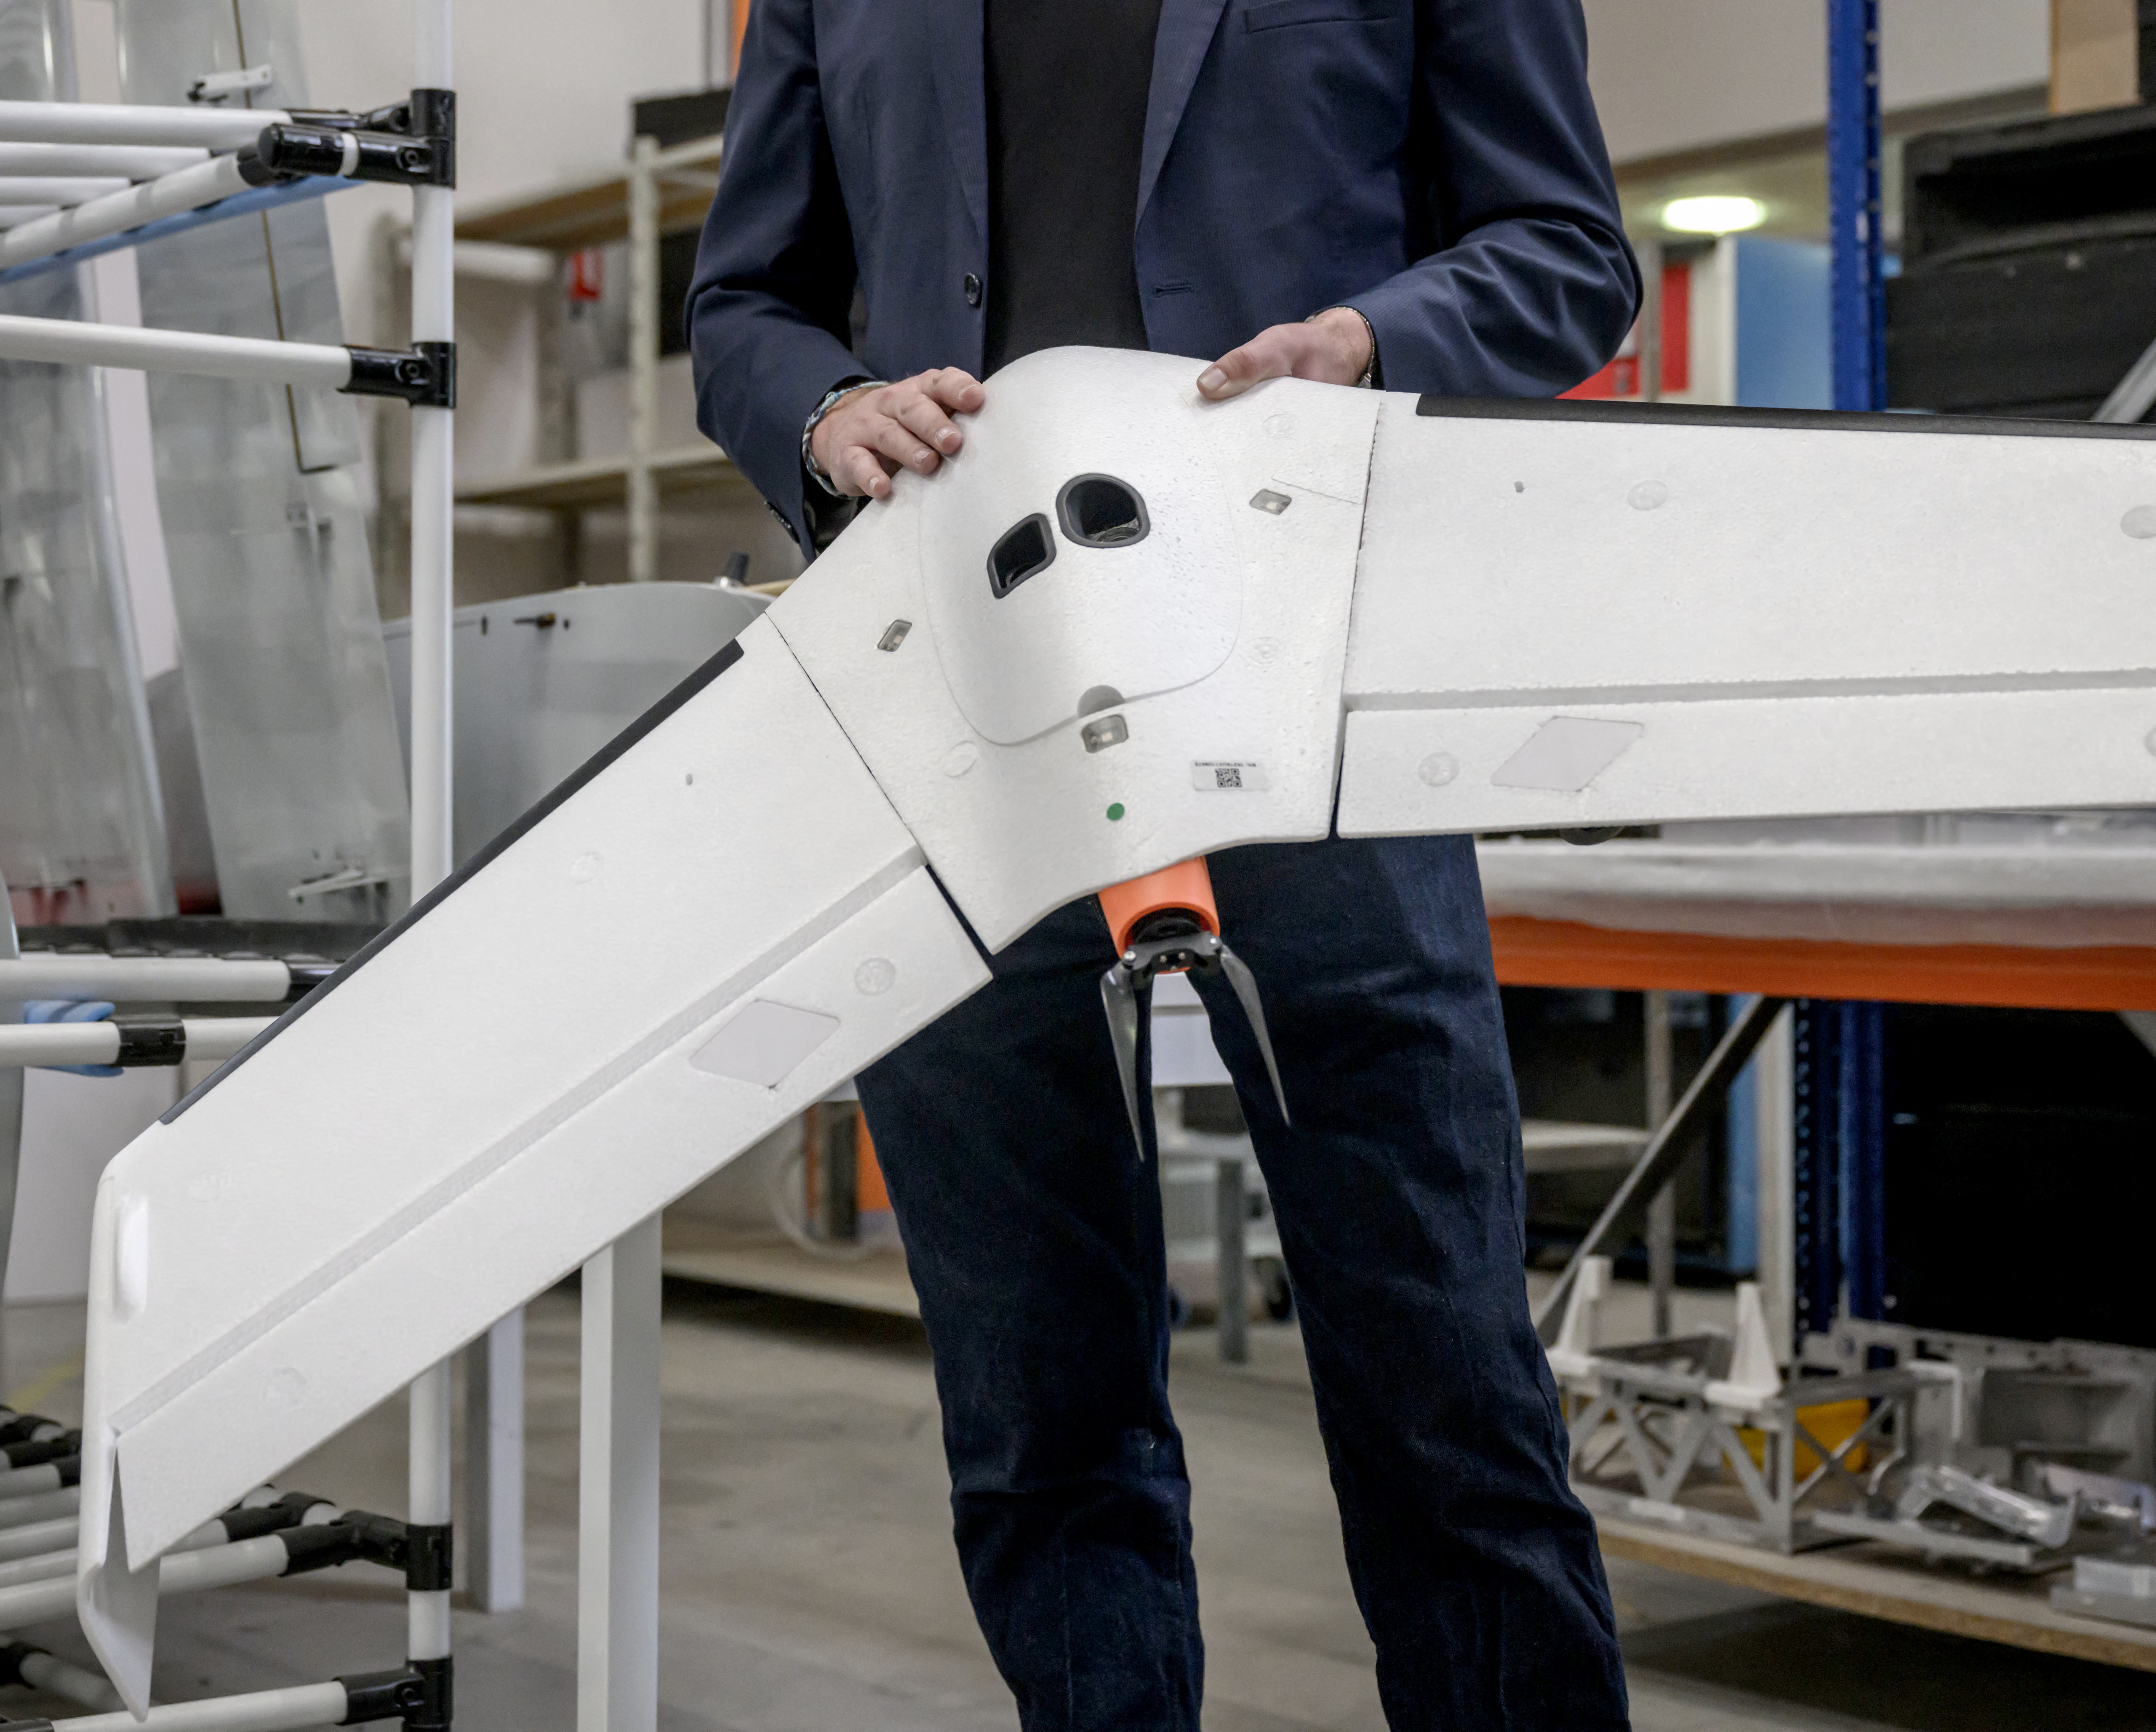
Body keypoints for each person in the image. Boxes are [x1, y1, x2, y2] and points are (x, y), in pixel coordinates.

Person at [688, 4, 1639, 1726]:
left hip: (1307, 679)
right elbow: (744, 306)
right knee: (1035, 1412)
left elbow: (1566, 251)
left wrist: (1370, 339)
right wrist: (829, 417)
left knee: (1444, 1384)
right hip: (961, 699)